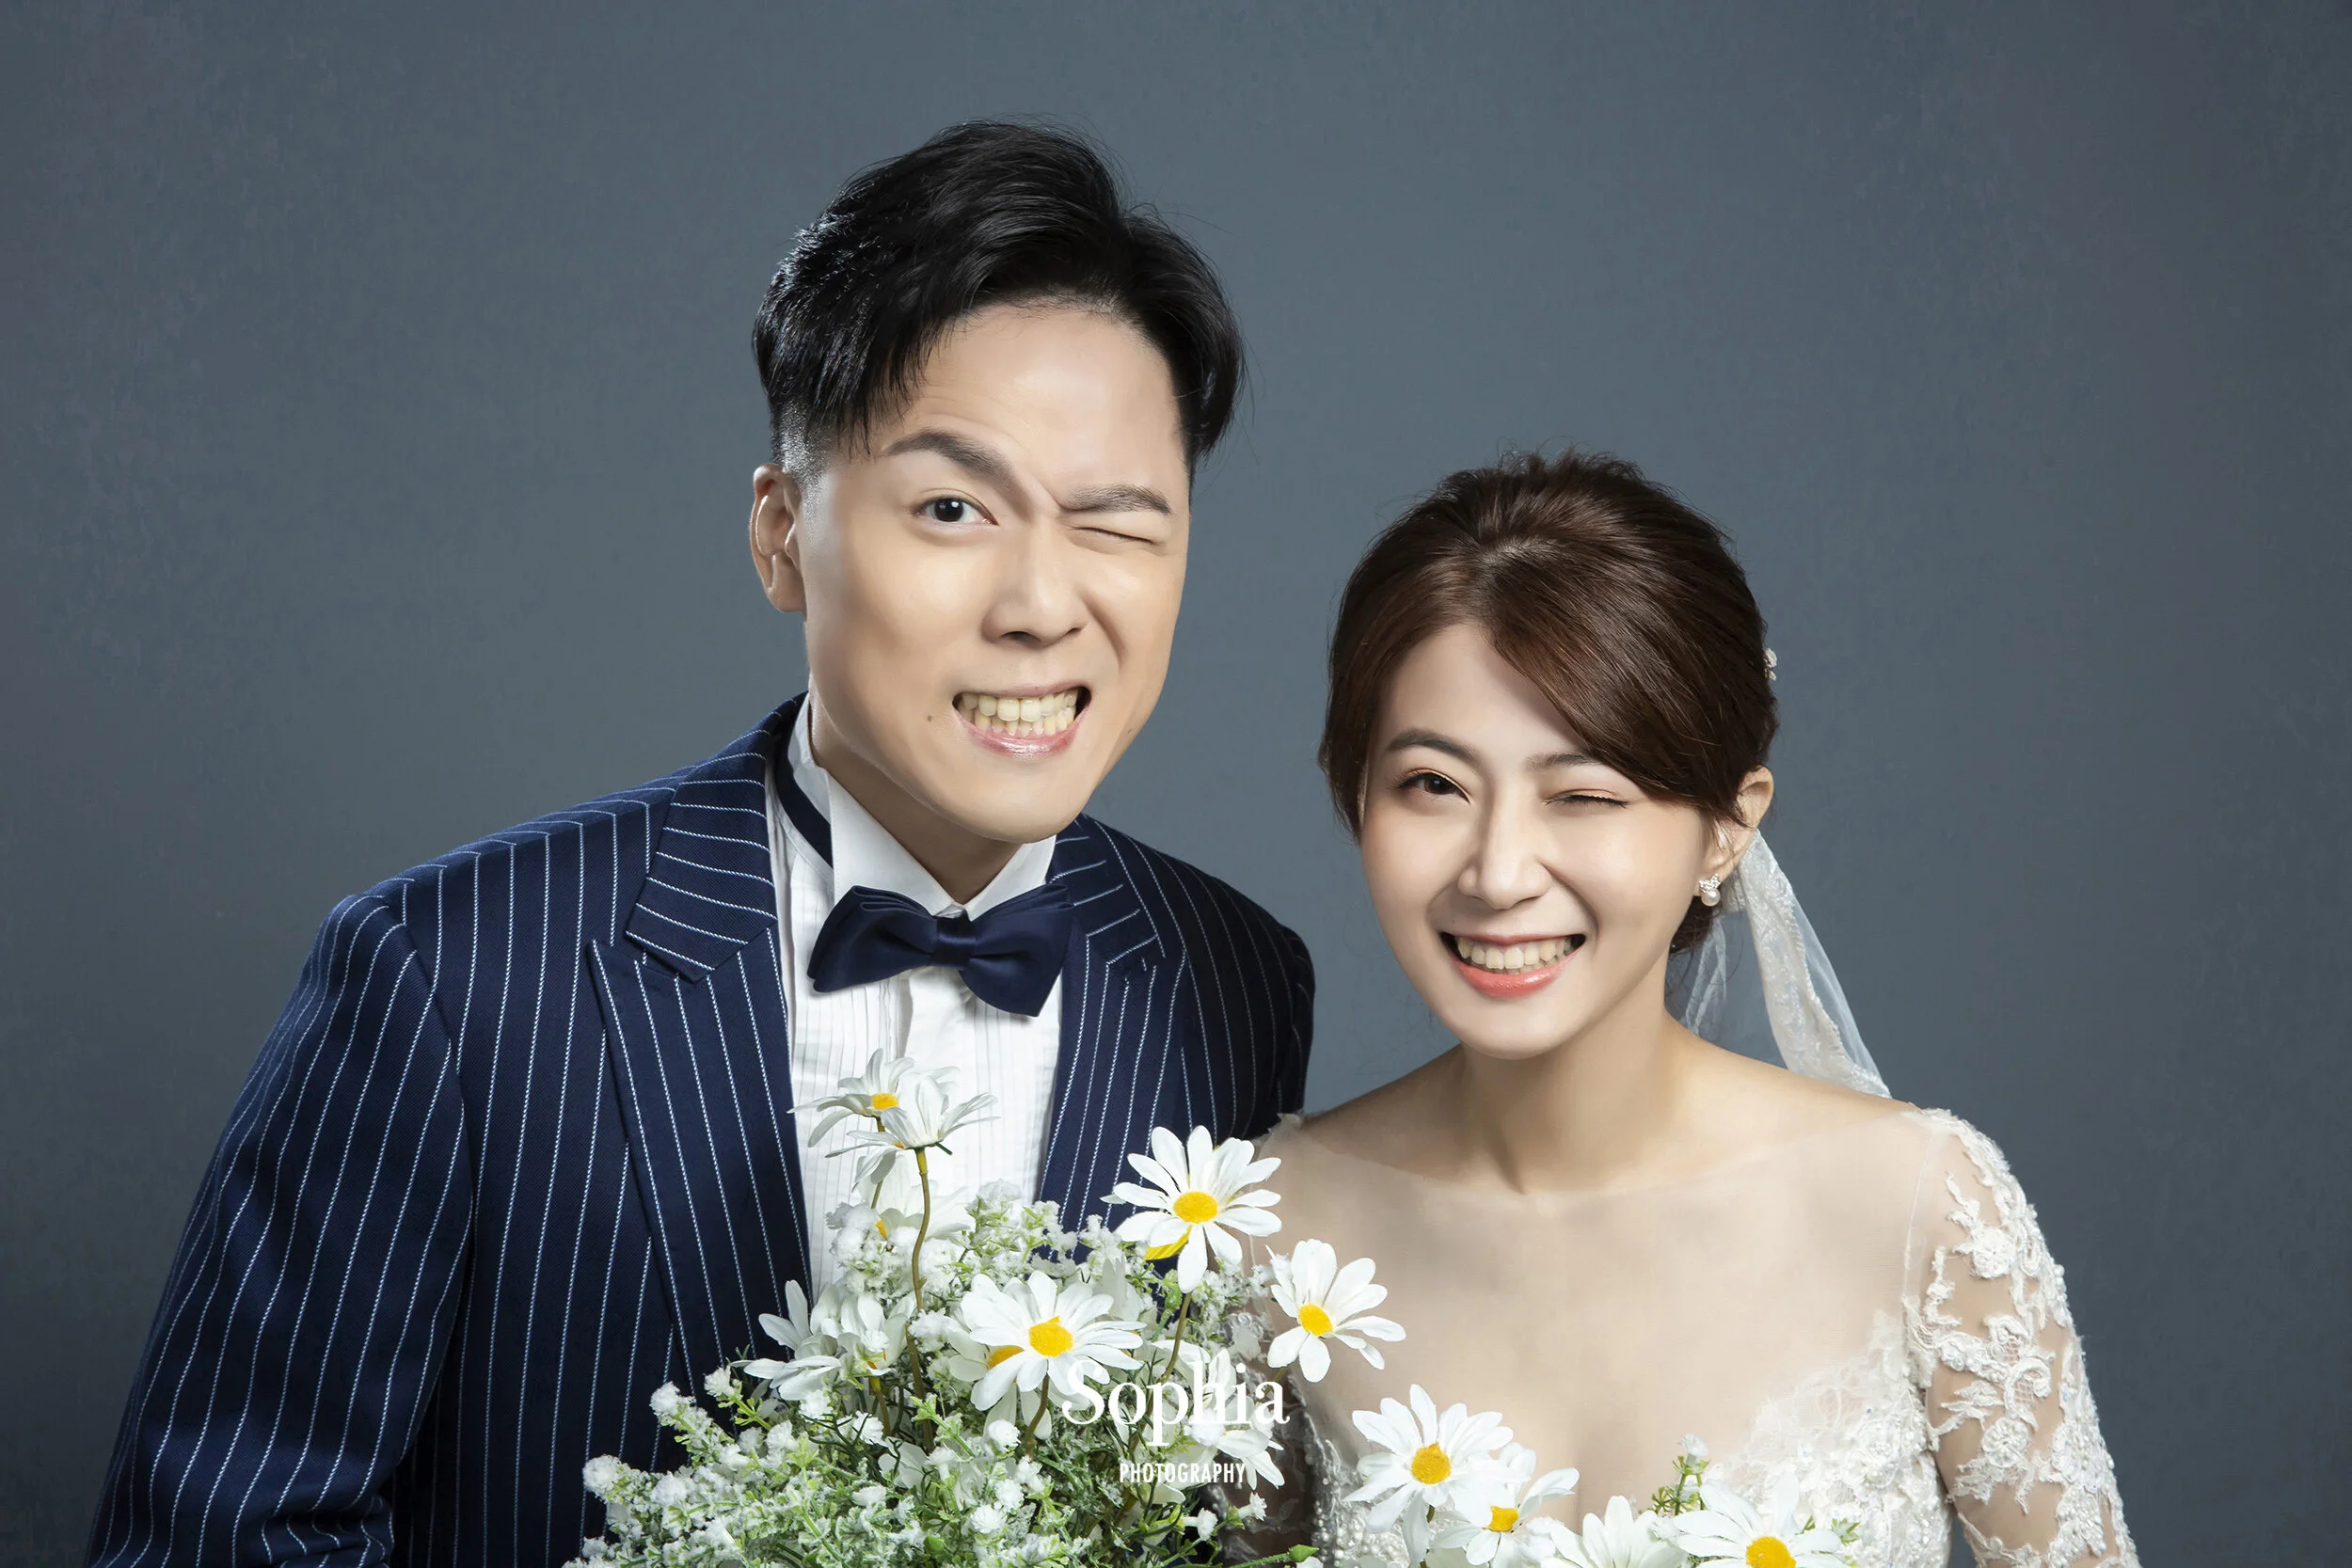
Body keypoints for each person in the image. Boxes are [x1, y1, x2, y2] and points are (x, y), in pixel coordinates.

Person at [87, 121, 1313, 1568]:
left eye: (1116, 522)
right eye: (951, 508)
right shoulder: (450, 975)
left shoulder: (1235, 981)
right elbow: (219, 1532)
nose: (1043, 604)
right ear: (782, 534)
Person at [1251, 452, 2133, 1566]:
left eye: (1583, 793)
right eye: (1433, 784)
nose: (1499, 870)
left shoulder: (1918, 1208)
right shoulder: (1269, 1224)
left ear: (1727, 826)